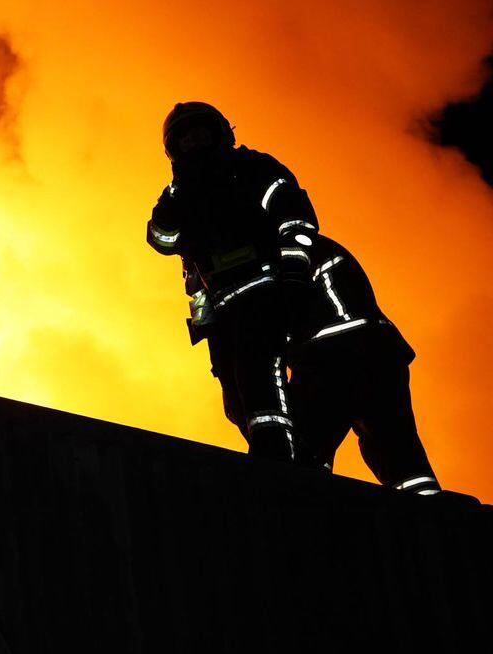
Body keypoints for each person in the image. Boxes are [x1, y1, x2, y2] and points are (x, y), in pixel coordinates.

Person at [147, 102, 316, 461]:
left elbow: (296, 221)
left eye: (201, 133)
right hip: (220, 310)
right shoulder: (180, 194)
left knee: (257, 375)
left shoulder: (253, 170)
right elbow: (161, 239)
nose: (195, 142)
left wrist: (295, 274)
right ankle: (295, 452)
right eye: (186, 139)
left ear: (221, 133)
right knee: (235, 397)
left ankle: (277, 458)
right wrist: (175, 194)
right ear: (174, 150)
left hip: (266, 291)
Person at [285, 232, 443, 494]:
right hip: (380, 354)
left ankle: (306, 519)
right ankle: (437, 521)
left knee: (302, 454)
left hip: (332, 359)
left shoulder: (270, 253)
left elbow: (263, 336)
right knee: (401, 457)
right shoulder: (306, 244)